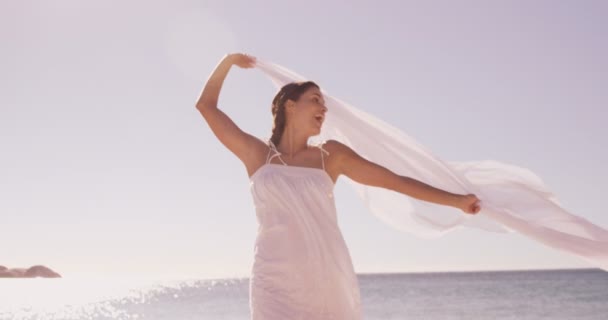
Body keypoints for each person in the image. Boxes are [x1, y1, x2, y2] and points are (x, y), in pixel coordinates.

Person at [195, 53, 481, 319]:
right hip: (273, 280)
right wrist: (228, 61)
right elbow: (206, 107)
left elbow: (395, 181)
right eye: (316, 100)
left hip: (325, 277)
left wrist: (457, 201)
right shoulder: (257, 155)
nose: (324, 107)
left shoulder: (331, 156)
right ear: (290, 107)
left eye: (324, 103)